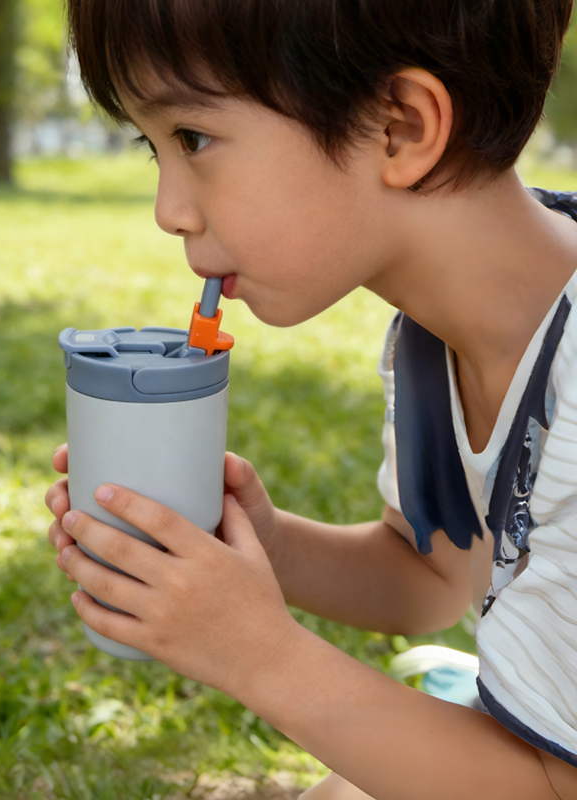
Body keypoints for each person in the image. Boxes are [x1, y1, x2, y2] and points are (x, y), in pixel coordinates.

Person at [44, 1, 577, 797]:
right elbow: (432, 577)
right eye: (152, 147)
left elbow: (548, 786)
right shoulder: (432, 337)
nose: (168, 212)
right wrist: (263, 546)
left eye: (192, 137)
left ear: (399, 126)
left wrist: (258, 655)